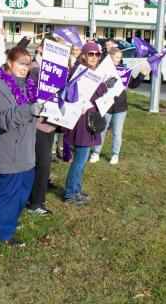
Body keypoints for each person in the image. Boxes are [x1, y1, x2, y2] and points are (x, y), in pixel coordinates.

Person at [0, 47, 43, 246]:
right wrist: (29, 110)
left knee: (23, 191)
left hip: (26, 151)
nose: (25, 68)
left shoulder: (28, 84)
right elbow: (3, 119)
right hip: (8, 152)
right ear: (10, 62)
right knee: (8, 194)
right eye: (20, 63)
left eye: (27, 64)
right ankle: (2, 233)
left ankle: (10, 220)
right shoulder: (0, 86)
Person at [63, 40, 113, 206]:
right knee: (80, 159)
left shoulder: (89, 70)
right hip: (82, 121)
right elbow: (89, 94)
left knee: (82, 159)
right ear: (84, 55)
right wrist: (105, 86)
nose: (94, 57)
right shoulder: (82, 70)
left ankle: (76, 190)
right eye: (90, 54)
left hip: (88, 119)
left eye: (97, 54)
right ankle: (70, 193)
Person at [89, 47, 149, 165]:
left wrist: (141, 75)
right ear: (110, 56)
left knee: (117, 132)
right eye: (117, 57)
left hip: (120, 106)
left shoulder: (123, 69)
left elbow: (132, 84)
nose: (119, 59)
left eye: (120, 57)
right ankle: (96, 153)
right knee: (101, 130)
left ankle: (115, 155)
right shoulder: (103, 68)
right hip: (105, 104)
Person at [27, 40, 57, 216]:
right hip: (37, 124)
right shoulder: (34, 68)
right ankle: (36, 203)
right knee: (43, 164)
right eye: (48, 48)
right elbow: (29, 94)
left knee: (40, 164)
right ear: (40, 48)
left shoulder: (59, 68)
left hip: (51, 124)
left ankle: (32, 197)